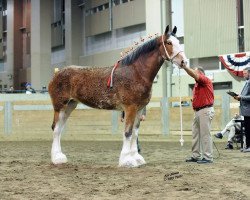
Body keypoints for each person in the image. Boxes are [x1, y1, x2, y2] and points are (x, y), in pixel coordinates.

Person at [181, 65, 215, 164]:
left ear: (200, 73)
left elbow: (193, 74)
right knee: (195, 134)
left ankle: (208, 157)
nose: (193, 74)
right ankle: (196, 156)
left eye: (195, 72)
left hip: (205, 110)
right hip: (198, 111)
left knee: (205, 135)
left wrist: (185, 67)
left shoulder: (205, 79)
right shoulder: (197, 85)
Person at [234, 67, 250, 152]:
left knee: (248, 129)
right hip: (246, 110)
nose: (243, 75)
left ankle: (249, 146)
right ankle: (247, 146)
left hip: (248, 110)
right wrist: (238, 97)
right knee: (247, 129)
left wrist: (241, 97)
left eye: (245, 73)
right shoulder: (247, 82)